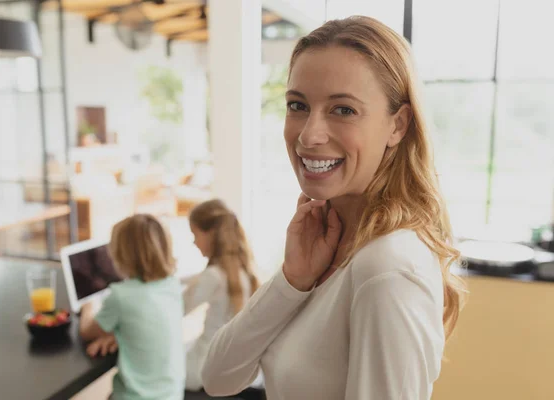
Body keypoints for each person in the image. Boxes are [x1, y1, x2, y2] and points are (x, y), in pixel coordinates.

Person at [201, 16, 467, 400]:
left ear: (398, 124)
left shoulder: (387, 270)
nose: (309, 135)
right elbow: (219, 377)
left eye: (343, 110)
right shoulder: (329, 244)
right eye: (298, 105)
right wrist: (291, 281)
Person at [80, 214, 185, 400]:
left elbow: (87, 331)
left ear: (121, 255)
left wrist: (88, 306)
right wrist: (120, 334)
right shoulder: (171, 285)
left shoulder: (121, 295)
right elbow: (149, 325)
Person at [183, 199, 260, 391]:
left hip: (204, 368)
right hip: (234, 364)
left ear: (211, 234)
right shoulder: (243, 272)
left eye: (195, 234)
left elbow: (176, 309)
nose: (194, 242)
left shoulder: (213, 276)